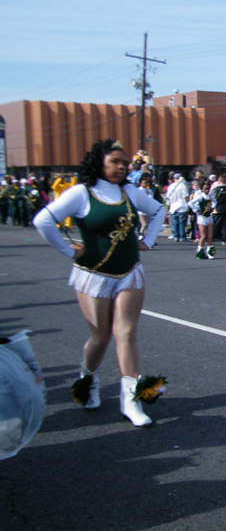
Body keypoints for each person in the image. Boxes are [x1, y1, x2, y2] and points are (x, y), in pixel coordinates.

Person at [32, 139, 166, 426]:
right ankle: (87, 379)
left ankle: (130, 400)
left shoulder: (129, 191)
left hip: (130, 271)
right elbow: (43, 221)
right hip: (93, 275)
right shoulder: (81, 193)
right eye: (115, 162)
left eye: (124, 163)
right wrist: (69, 250)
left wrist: (148, 241)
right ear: (99, 164)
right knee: (101, 337)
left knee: (126, 333)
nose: (121, 167)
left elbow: (158, 211)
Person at [188, 180, 216, 259]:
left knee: (210, 235)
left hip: (209, 217)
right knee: (203, 235)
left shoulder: (210, 196)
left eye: (208, 189)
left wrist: (213, 207)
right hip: (202, 218)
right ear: (202, 189)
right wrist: (196, 210)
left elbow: (215, 201)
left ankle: (209, 250)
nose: (207, 190)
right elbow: (190, 203)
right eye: (205, 189)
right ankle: (200, 250)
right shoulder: (200, 197)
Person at [211, 176, 226, 244]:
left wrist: (212, 207)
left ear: (218, 181)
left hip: (217, 209)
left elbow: (212, 199)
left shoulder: (216, 190)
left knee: (215, 225)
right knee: (225, 225)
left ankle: (212, 238)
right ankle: (224, 239)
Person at [166, 173, 190, 242]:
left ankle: (176, 236)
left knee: (175, 222)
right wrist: (187, 204)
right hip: (182, 206)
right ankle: (182, 236)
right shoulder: (182, 185)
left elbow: (168, 197)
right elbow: (185, 196)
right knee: (182, 223)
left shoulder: (170, 186)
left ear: (174, 179)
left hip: (173, 207)